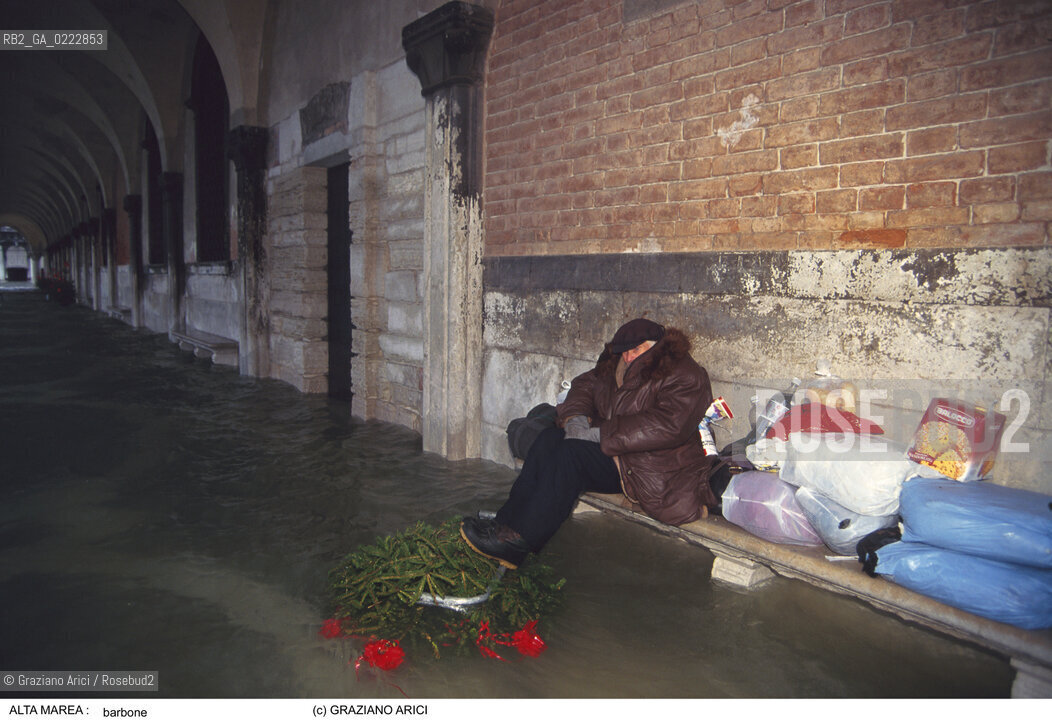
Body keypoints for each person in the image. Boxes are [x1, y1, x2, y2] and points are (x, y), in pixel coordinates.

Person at [460, 318, 721, 569]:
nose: (629, 357)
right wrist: (575, 419)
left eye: (636, 350)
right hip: (617, 453)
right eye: (624, 352)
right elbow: (585, 385)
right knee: (548, 439)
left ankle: (520, 542)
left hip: (650, 467)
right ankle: (505, 527)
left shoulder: (685, 374)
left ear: (656, 344)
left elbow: (667, 426)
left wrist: (600, 434)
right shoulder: (616, 363)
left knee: (571, 457)